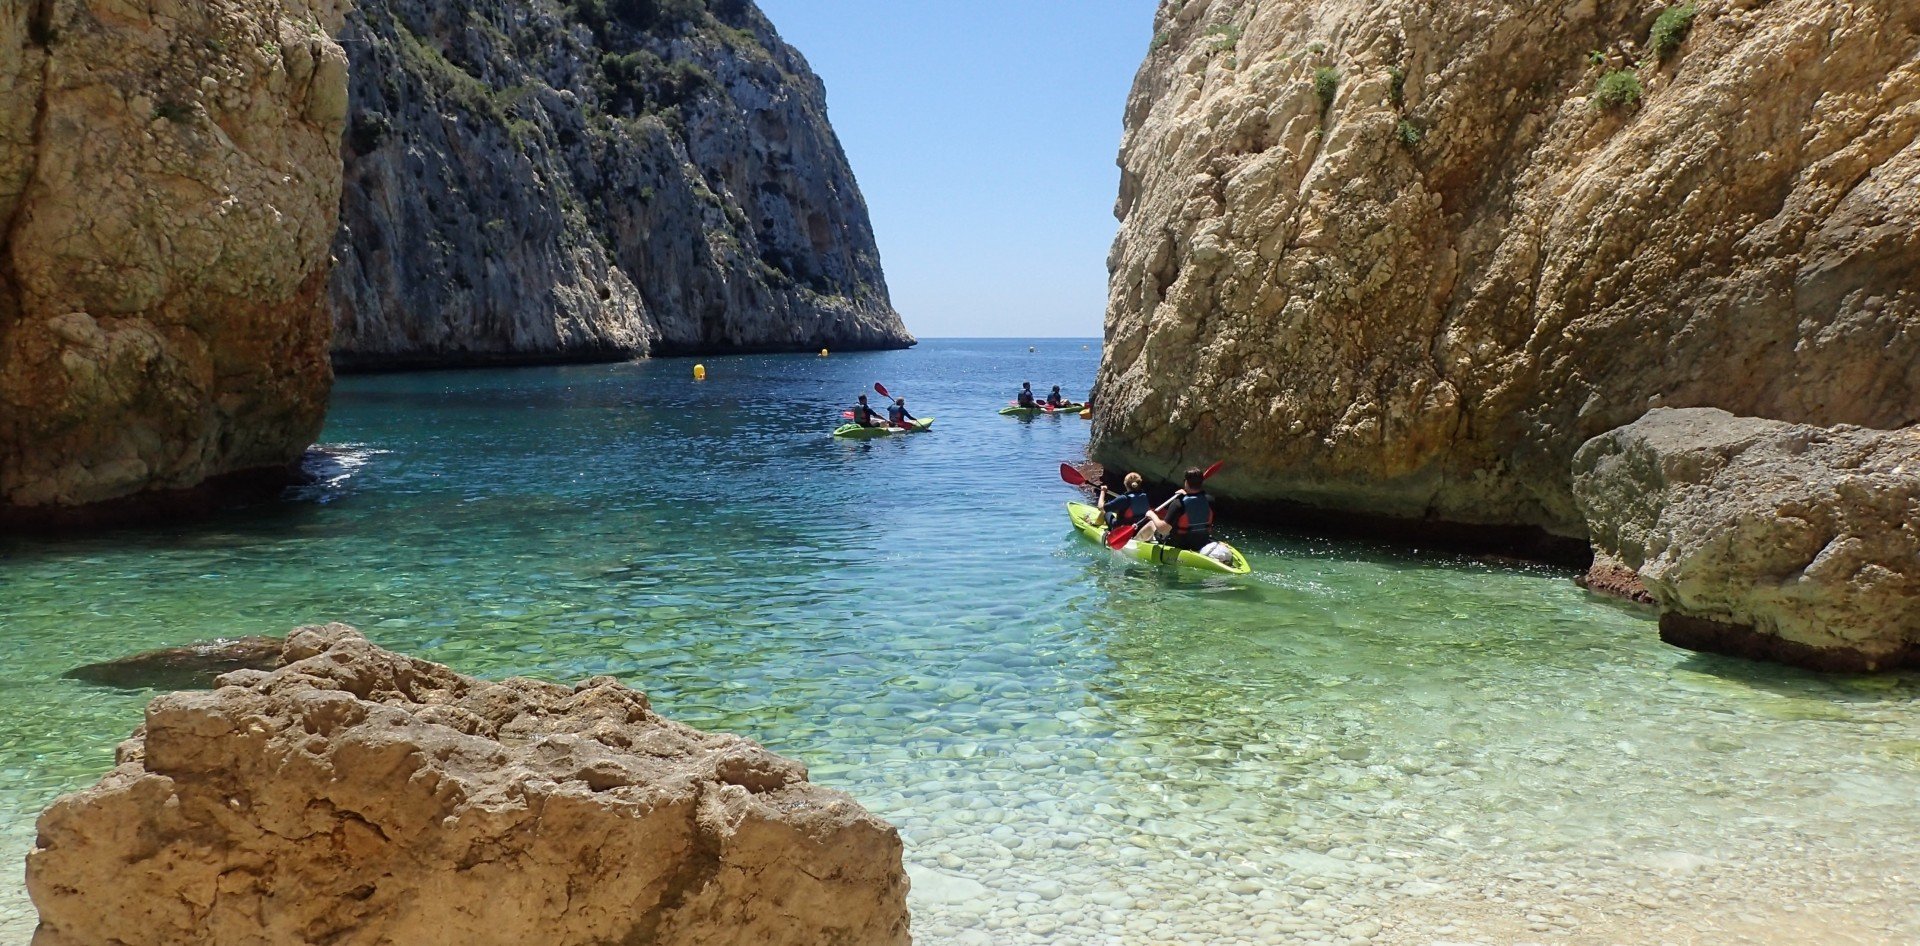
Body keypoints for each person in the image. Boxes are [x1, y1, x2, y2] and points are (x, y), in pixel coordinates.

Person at [1149, 467, 1214, 551]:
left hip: (1180, 544)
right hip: (1202, 542)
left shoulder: (1178, 503)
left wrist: (1151, 514)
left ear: (1186, 482)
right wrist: (1186, 494)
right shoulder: (1210, 500)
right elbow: (1196, 504)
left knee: (1151, 524)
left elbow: (1163, 529)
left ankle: (1136, 543)